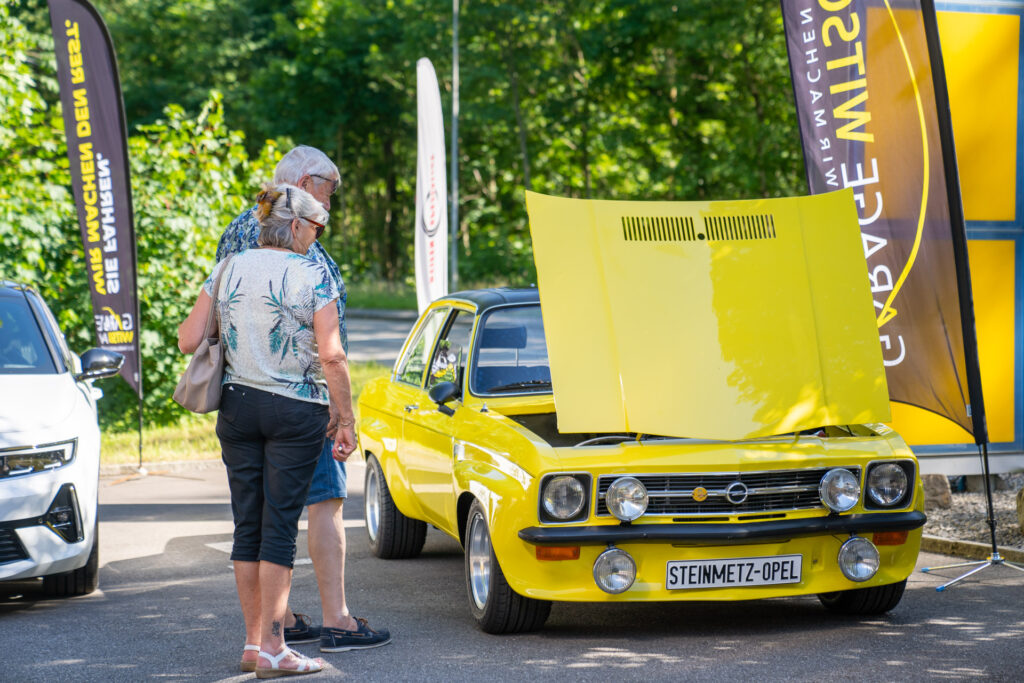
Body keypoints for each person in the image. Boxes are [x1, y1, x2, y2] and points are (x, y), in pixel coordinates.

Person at [216, 146, 390, 656]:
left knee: (258, 517)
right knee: (324, 502)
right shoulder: (299, 237)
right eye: (328, 193)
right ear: (306, 183)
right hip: (302, 397)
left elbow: (211, 320)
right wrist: (343, 416)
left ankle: (275, 626)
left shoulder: (238, 232)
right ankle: (335, 619)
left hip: (243, 393)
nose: (328, 210)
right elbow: (328, 348)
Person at [179, 184, 352, 676]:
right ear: (295, 225)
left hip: (237, 407)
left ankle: (254, 643)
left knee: (247, 525)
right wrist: (346, 419)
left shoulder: (229, 266)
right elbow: (332, 355)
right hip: (295, 411)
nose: (317, 236)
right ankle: (276, 651)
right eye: (316, 227)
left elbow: (189, 337)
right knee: (279, 528)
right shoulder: (313, 274)